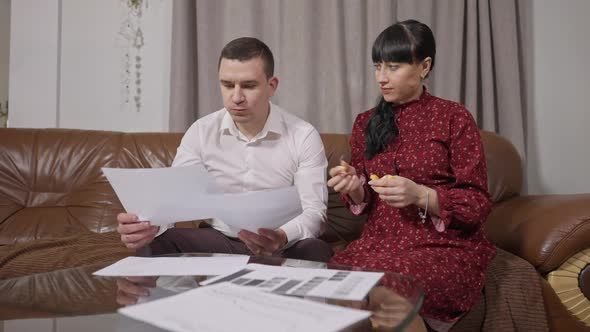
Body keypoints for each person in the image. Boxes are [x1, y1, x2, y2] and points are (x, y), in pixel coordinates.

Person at [327, 20, 496, 332]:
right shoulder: (366, 122)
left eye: (393, 67)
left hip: (442, 245)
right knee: (334, 286)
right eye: (377, 66)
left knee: (388, 290)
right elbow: (363, 196)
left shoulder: (453, 117)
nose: (381, 78)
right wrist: (355, 186)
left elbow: (476, 204)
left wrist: (421, 195)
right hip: (379, 242)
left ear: (424, 66)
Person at [117, 37, 333, 262]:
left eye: (249, 86)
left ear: (272, 86)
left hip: (282, 244)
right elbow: (174, 203)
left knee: (316, 250)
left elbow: (315, 214)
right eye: (228, 85)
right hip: (221, 240)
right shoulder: (201, 131)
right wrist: (146, 228)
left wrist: (281, 235)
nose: (236, 97)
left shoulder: (303, 135)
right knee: (160, 242)